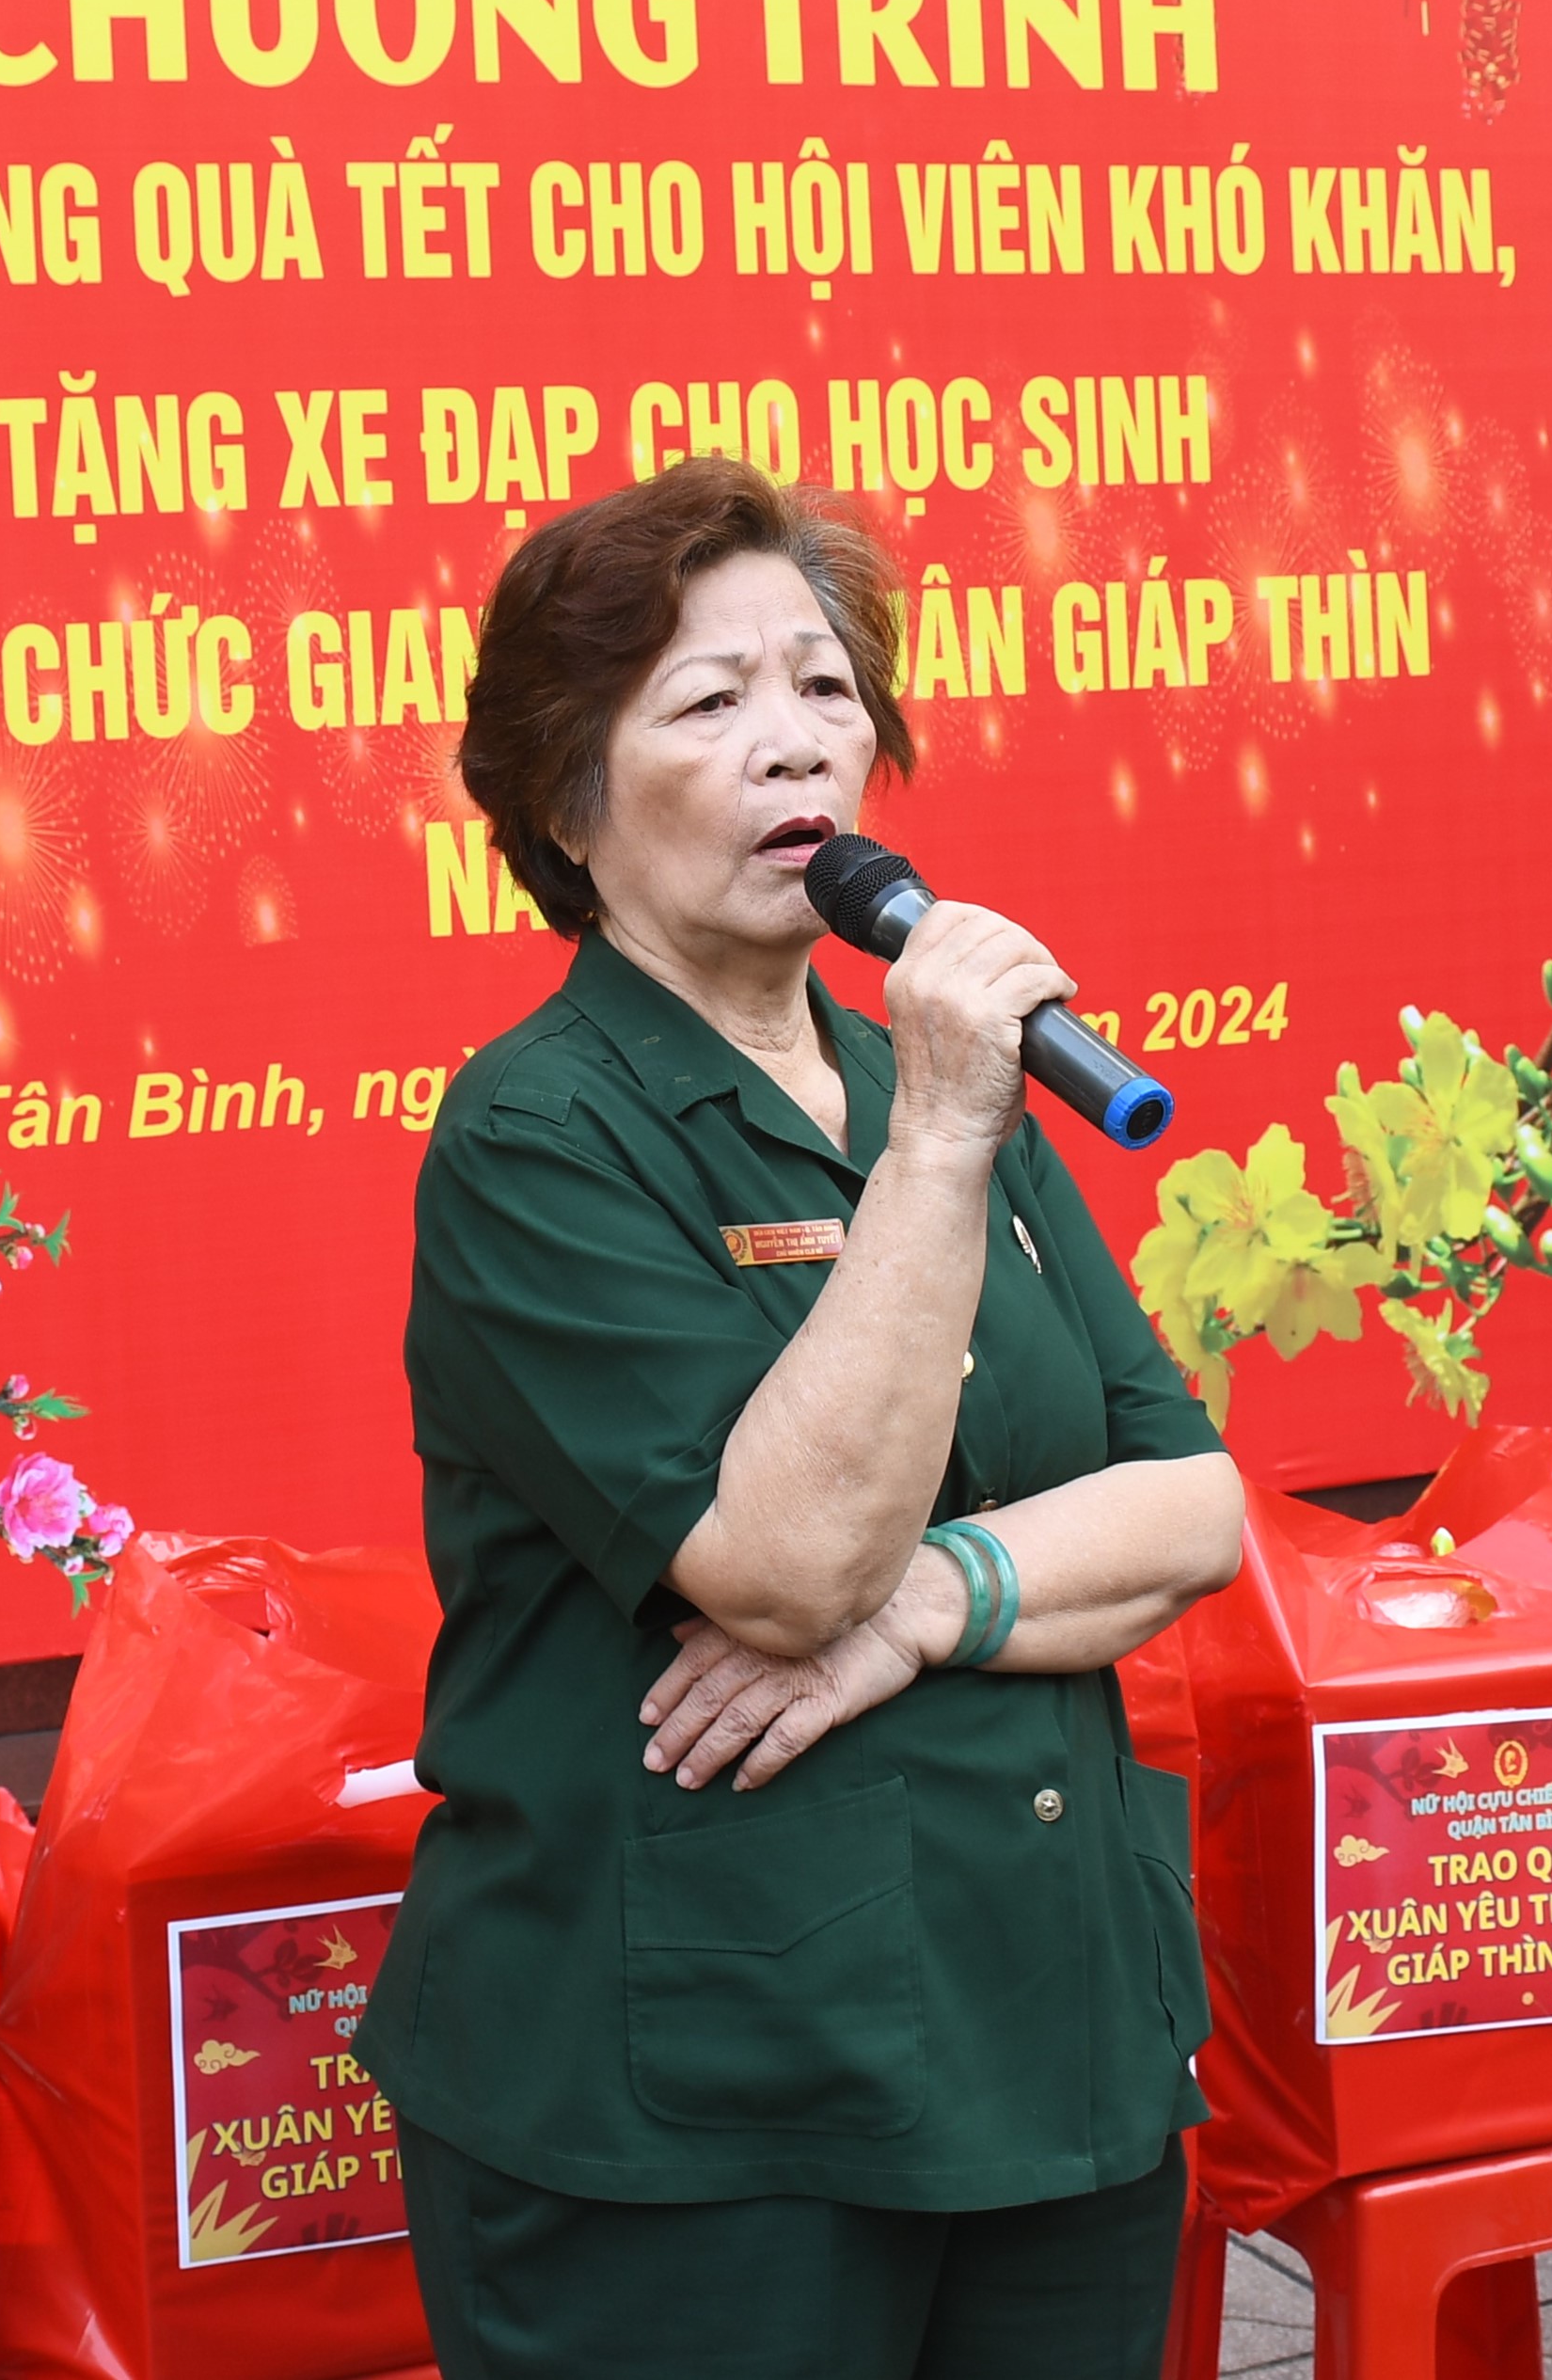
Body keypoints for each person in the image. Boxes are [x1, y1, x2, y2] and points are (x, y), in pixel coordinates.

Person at [352, 456, 1249, 2380]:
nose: (794, 742)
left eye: (825, 688)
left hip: (1047, 2036)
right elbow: (778, 1568)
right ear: (567, 801)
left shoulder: (933, 1083)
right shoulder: (540, 1131)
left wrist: (929, 1605)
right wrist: (938, 1141)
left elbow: (1187, 1507)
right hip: (700, 2107)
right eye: (709, 700)